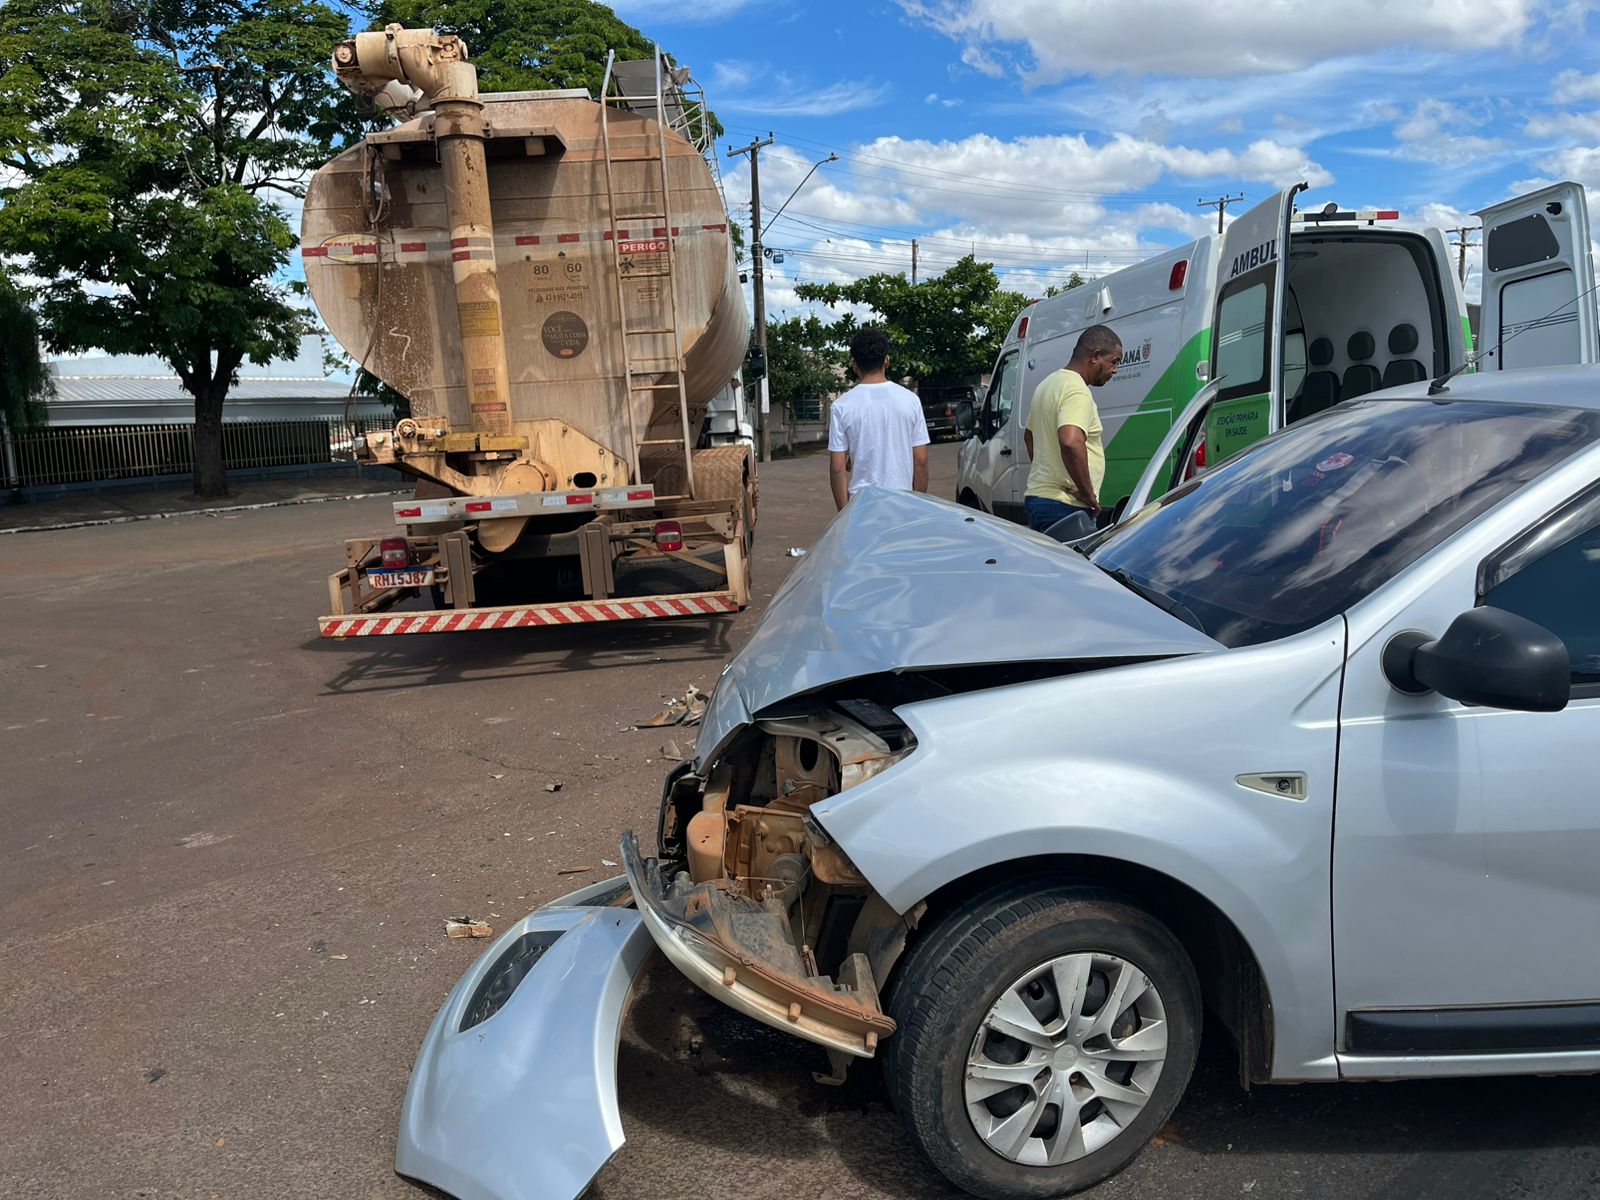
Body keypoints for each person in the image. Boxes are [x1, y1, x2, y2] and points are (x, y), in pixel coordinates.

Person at [1022, 324, 1121, 532]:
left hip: (1039, 500)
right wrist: (1087, 493)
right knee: (1079, 565)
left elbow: (1029, 437)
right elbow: (1070, 440)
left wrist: (1049, 473)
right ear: (1095, 356)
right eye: (1113, 361)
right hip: (1066, 507)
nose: (1115, 370)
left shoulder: (1047, 385)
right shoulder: (1077, 390)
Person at [828, 327, 930, 511]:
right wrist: (917, 507)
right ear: (887, 361)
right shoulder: (911, 401)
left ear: (854, 364)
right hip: (903, 504)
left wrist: (844, 516)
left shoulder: (841, 406)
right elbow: (921, 462)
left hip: (861, 507)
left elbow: (837, 468)